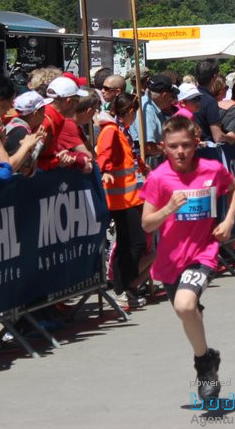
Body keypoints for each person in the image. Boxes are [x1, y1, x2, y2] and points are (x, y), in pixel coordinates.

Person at [140, 115, 235, 401]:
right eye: (173, 146)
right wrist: (168, 208)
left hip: (203, 253)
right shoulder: (159, 177)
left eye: (186, 145)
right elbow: (147, 224)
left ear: (196, 143)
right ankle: (207, 356)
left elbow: (234, 189)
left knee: (185, 306)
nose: (180, 152)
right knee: (187, 311)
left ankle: (203, 369)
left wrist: (229, 220)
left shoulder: (212, 169)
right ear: (163, 148)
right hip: (171, 259)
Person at [97, 92, 152, 309]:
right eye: (134, 112)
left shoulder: (121, 131)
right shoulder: (111, 131)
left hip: (129, 197)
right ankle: (122, 288)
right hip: (119, 199)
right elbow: (104, 156)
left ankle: (126, 289)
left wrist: (141, 166)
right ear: (129, 111)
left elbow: (126, 157)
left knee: (132, 243)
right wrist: (105, 170)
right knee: (134, 243)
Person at [130, 75, 176, 159]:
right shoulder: (146, 109)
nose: (171, 100)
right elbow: (148, 147)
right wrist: (173, 149)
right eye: (171, 96)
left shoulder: (154, 107)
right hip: (147, 165)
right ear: (164, 95)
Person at [193, 59, 235, 145]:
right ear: (214, 76)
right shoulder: (210, 101)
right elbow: (218, 136)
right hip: (207, 149)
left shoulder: (190, 98)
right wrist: (230, 138)